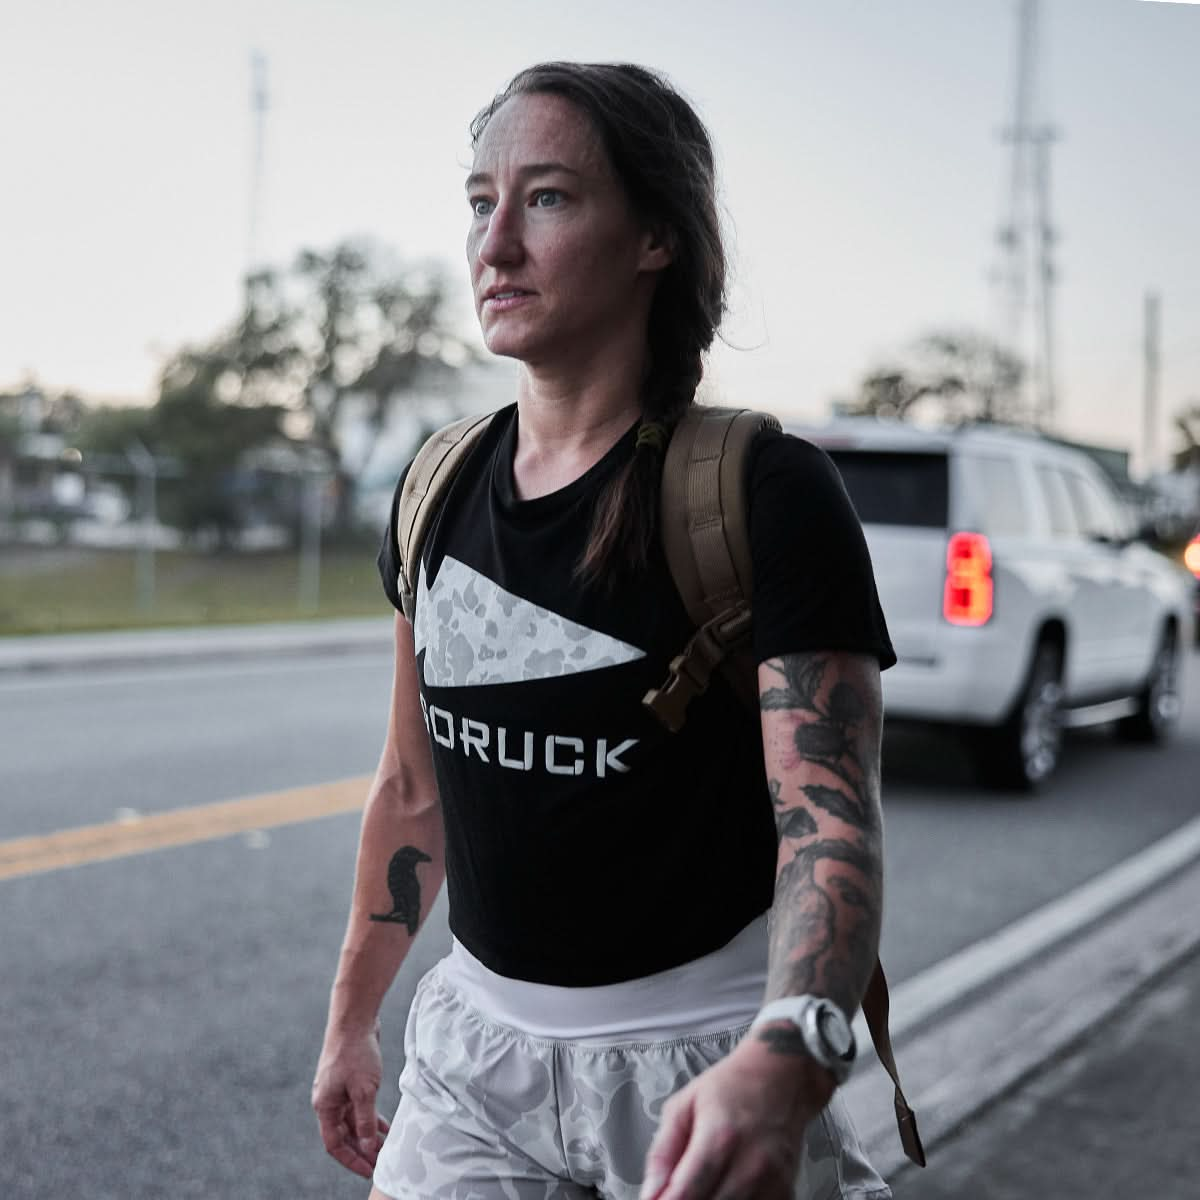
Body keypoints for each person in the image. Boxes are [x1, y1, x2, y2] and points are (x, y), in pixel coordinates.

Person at [312, 61, 897, 1200]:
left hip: (705, 1065)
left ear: (654, 239)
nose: (493, 247)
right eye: (481, 202)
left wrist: (786, 1063)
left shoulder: (764, 493)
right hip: (473, 1064)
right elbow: (412, 787)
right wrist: (352, 1020)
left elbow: (827, 827)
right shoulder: (436, 485)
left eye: (548, 199)